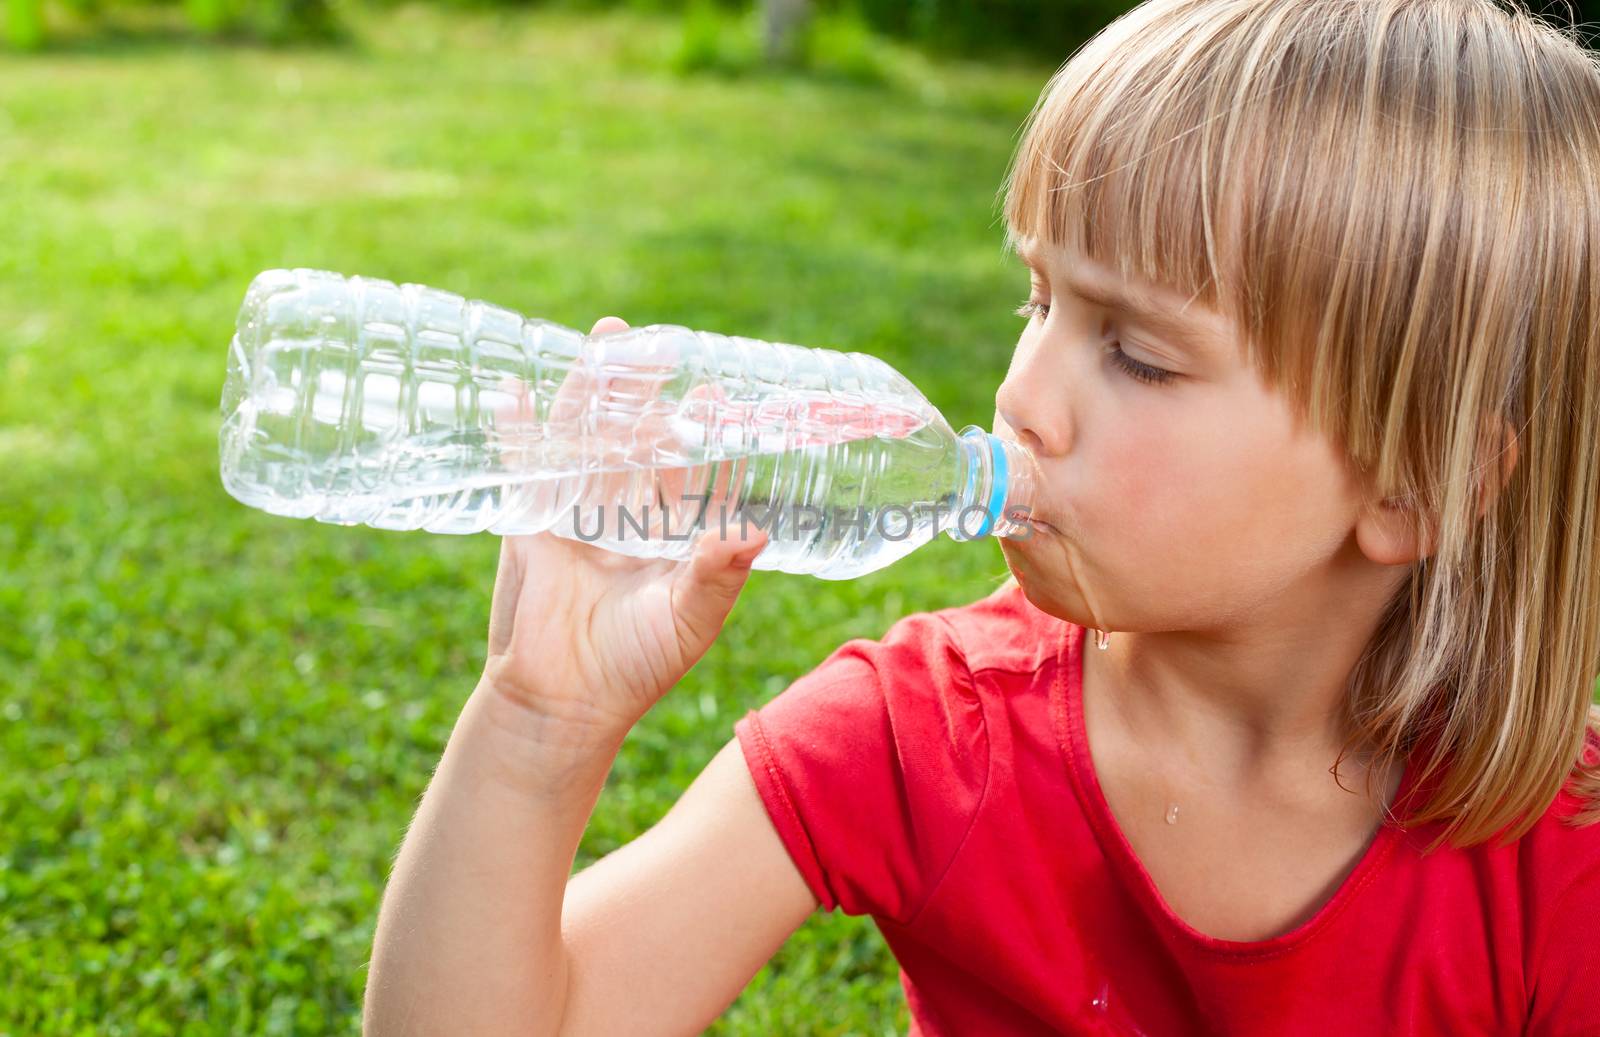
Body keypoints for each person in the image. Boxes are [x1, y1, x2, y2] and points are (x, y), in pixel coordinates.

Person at [361, 1, 1600, 1033]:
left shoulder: (1554, 857)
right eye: (1037, 300)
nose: (1020, 397)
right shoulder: (926, 731)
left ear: (1410, 485)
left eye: (1140, 355)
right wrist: (537, 725)